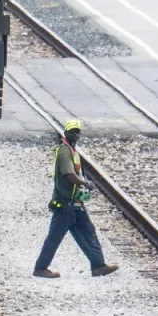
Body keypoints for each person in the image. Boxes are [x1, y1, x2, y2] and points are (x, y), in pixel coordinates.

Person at [33, 119, 119, 279]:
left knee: (88, 232)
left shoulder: (73, 152)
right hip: (65, 205)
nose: (75, 134)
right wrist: (85, 183)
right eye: (72, 131)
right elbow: (69, 175)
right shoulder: (65, 152)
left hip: (75, 204)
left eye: (77, 131)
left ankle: (98, 266)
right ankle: (40, 268)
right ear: (65, 133)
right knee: (54, 237)